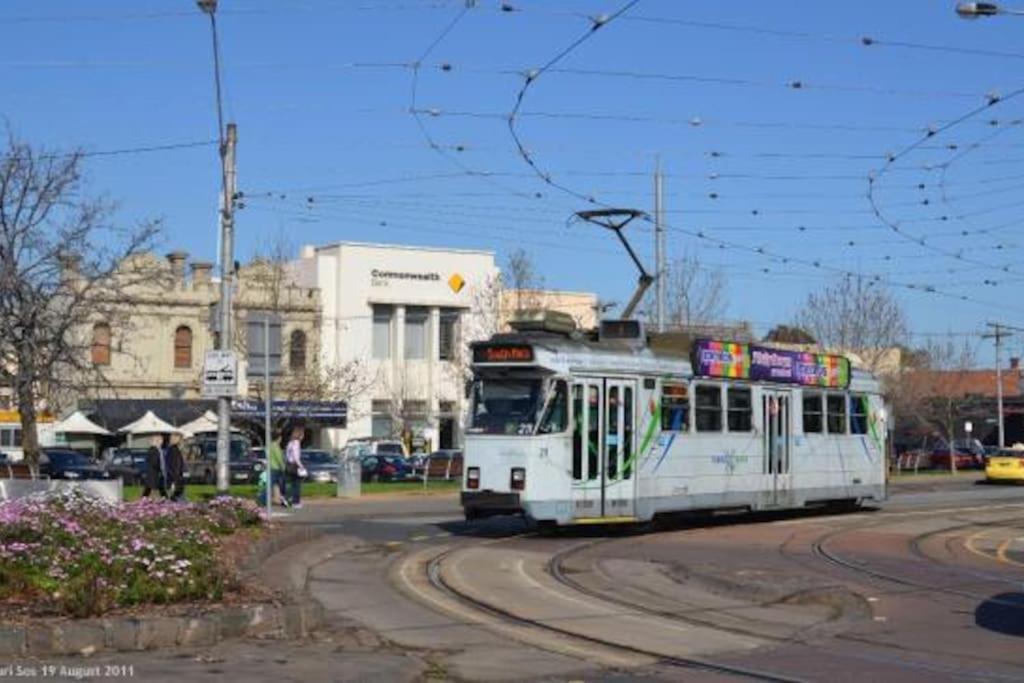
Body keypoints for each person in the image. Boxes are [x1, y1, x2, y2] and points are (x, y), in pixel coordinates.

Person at [284, 425, 305, 508]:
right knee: (297, 484)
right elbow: (296, 457)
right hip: (294, 466)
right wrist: (301, 466)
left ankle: (287, 498)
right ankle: (296, 502)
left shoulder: (290, 443)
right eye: (303, 434)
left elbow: (287, 455)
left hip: (289, 465)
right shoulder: (296, 443)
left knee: (292, 484)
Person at [142, 434, 167, 499]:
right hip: (155, 473)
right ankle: (144, 499)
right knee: (150, 487)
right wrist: (160, 469)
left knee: (157, 488)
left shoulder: (159, 450)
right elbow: (154, 462)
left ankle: (165, 498)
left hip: (157, 473)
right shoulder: (153, 450)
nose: (160, 442)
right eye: (157, 440)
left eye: (161, 440)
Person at [268, 432, 289, 507]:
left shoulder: (270, 445)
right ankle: (283, 499)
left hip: (271, 467)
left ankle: (277, 499)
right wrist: (283, 467)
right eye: (280, 438)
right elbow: (279, 458)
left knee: (274, 485)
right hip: (276, 468)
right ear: (278, 438)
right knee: (281, 485)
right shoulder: (276, 446)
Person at [165, 433, 186, 501]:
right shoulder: (174, 450)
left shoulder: (173, 450)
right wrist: (175, 479)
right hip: (175, 479)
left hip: (176, 478)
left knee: (177, 498)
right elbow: (174, 466)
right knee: (177, 498)